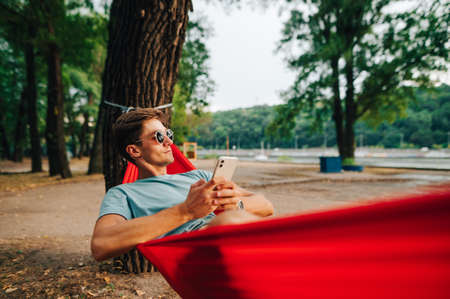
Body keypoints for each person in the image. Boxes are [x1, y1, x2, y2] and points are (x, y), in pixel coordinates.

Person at [91, 108, 273, 261]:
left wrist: (236, 204)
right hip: (196, 259)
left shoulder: (199, 176)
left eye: (168, 134)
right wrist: (186, 211)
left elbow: (266, 206)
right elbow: (101, 244)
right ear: (134, 150)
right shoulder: (123, 193)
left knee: (234, 222)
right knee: (229, 222)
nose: (170, 142)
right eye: (158, 137)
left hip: (233, 241)